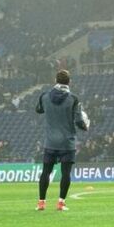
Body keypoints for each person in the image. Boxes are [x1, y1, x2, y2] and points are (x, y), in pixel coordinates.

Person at [35, 69, 90, 211]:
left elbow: (38, 110)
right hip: (67, 142)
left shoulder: (44, 96)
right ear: (69, 82)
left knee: (46, 172)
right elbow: (79, 122)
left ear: (55, 81)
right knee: (66, 173)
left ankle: (41, 203)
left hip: (50, 142)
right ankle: (61, 203)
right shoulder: (73, 99)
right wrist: (86, 125)